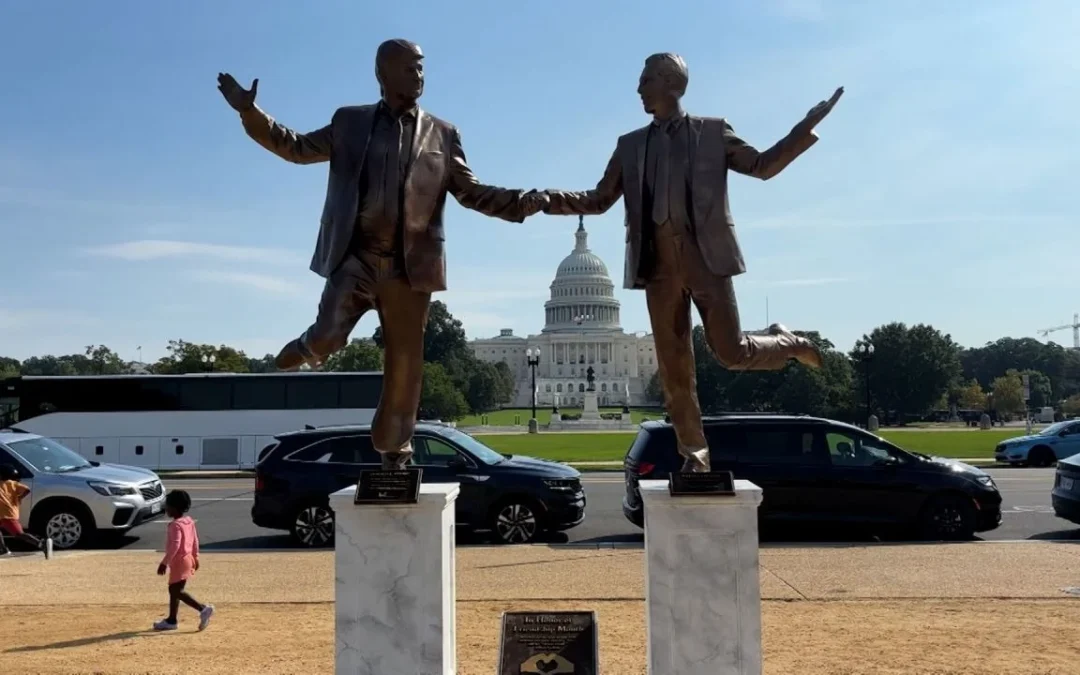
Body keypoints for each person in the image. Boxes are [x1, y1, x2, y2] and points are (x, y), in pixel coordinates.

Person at [216, 39, 548, 470]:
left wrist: (522, 201)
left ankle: (394, 450)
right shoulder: (349, 122)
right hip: (355, 257)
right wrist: (250, 112)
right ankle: (309, 345)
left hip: (409, 268)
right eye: (411, 68)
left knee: (405, 367)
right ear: (384, 73)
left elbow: (471, 191)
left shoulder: (443, 134)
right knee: (329, 336)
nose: (420, 76)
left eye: (422, 68)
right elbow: (294, 147)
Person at [535, 53, 843, 472]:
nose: (638, 89)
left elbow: (762, 166)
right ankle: (695, 456)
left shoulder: (712, 133)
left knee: (731, 353)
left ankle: (786, 342)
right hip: (657, 267)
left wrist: (803, 129)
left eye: (646, 81)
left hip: (706, 260)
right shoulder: (629, 145)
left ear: (671, 85)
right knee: (674, 370)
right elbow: (598, 199)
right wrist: (544, 199)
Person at [153, 490, 214, 632]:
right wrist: (195, 557)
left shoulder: (175, 525)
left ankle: (202, 609)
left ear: (174, 507)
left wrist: (164, 562)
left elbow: (175, 545)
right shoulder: (188, 521)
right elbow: (195, 540)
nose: (166, 508)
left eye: (167, 506)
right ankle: (172, 620)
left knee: (175, 590)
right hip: (188, 559)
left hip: (179, 561)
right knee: (175, 590)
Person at [0, 464, 51, 558]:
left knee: (19, 534)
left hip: (7, 515)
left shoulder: (7, 483)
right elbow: (27, 489)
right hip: (7, 513)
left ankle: (40, 543)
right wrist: (19, 498)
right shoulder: (13, 484)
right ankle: (3, 549)